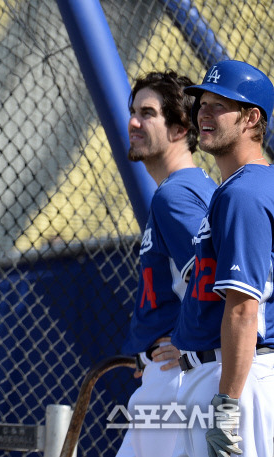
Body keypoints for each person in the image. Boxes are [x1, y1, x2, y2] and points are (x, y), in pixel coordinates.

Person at [171, 60, 274, 457]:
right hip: (240, 374)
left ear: (251, 118)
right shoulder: (247, 187)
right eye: (203, 103)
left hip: (234, 379)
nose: (204, 113)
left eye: (221, 104)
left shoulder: (243, 193)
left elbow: (244, 308)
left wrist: (227, 406)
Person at [115, 71, 217, 457]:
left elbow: (215, 280)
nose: (133, 122)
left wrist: (186, 343)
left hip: (178, 378)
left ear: (179, 127)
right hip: (176, 375)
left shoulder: (175, 196)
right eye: (132, 111)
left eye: (148, 113)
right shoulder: (190, 189)